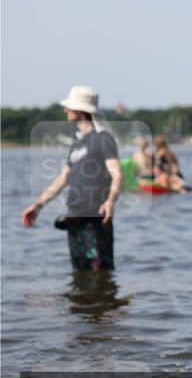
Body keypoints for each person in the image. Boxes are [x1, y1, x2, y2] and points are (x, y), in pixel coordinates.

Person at [21, 86, 122, 271]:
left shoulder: (103, 139)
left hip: (96, 219)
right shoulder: (77, 143)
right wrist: (37, 205)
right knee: (80, 275)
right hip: (75, 218)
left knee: (100, 274)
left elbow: (117, 173)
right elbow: (63, 179)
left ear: (80, 110)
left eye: (69, 107)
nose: (65, 110)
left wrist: (110, 201)